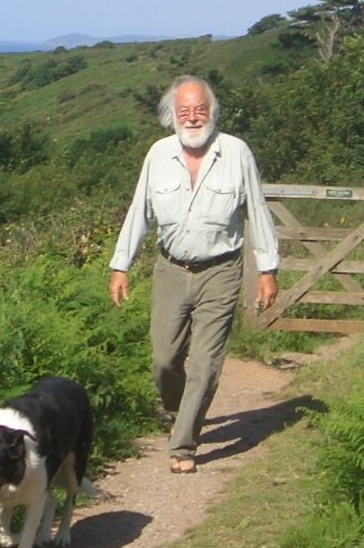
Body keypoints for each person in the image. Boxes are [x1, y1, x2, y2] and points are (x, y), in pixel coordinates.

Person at [108, 75, 280, 473]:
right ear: (172, 115)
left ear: (212, 112)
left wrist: (268, 269)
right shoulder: (157, 155)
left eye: (199, 109)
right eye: (184, 110)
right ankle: (175, 409)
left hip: (220, 272)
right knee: (165, 359)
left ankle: (183, 445)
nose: (192, 117)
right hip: (170, 269)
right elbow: (140, 212)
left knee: (204, 363)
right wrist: (121, 265)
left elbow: (257, 209)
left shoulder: (236, 153)